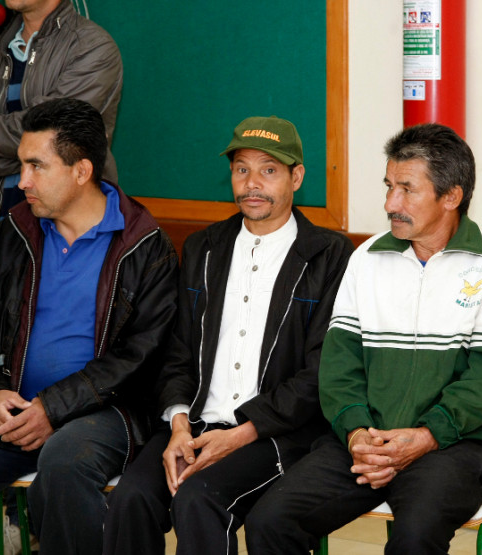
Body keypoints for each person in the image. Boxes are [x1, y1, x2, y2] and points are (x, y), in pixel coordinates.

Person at [0, 98, 178, 555]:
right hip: (14, 412)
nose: (22, 181)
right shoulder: (11, 234)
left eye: (35, 166)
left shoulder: (145, 247)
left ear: (81, 171)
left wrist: (54, 408)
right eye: (21, 165)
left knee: (66, 465)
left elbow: (140, 357)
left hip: (106, 413)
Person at [245, 123, 482, 554]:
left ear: (451, 197)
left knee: (415, 535)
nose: (391, 202)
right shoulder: (367, 259)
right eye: (389, 185)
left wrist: (426, 436)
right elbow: (338, 367)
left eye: (407, 189)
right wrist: (356, 433)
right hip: (364, 440)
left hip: (447, 445)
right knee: (271, 519)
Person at [102, 115, 354, 555]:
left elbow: (321, 372)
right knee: (132, 498)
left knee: (201, 499)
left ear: (297, 177)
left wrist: (240, 432)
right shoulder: (205, 246)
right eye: (241, 169)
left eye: (269, 170)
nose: (252, 183)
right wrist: (179, 424)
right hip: (195, 423)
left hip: (273, 432)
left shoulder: (328, 255)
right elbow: (178, 348)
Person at [0, 0, 123, 251]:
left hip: (74, 241)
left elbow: (56, 138)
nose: (25, 176)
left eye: (33, 165)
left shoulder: (92, 47)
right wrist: (40, 155)